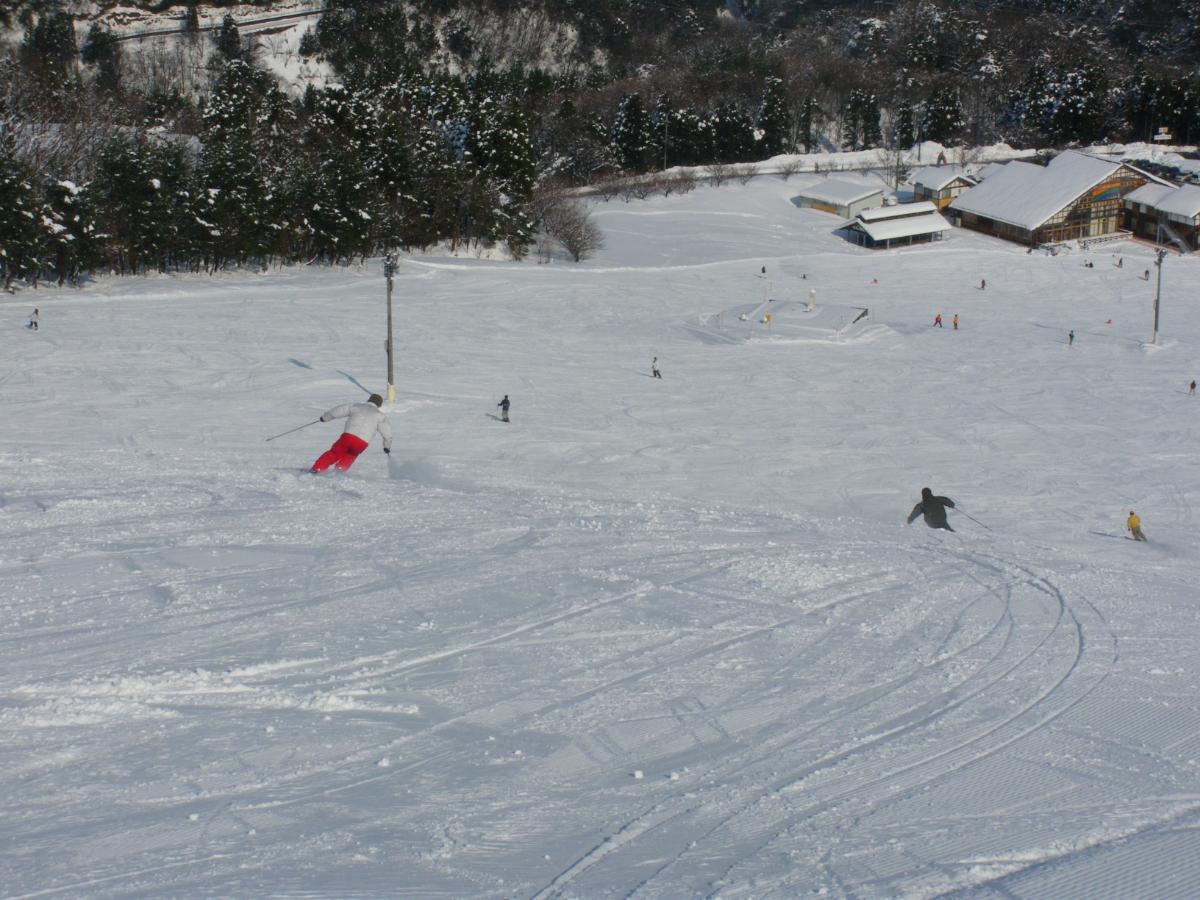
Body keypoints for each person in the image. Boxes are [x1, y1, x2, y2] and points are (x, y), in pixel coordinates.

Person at [310, 393, 392, 473]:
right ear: (379, 405)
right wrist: (387, 447)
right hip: (362, 443)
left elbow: (338, 411)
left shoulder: (357, 406)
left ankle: (317, 469)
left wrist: (325, 418)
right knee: (350, 456)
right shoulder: (380, 416)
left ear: (369, 400)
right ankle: (338, 472)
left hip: (348, 437)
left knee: (334, 453)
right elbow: (387, 434)